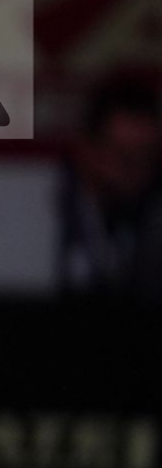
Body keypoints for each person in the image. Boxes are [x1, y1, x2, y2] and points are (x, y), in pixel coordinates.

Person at [59, 75, 162, 302]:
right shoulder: (43, 215)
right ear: (85, 149)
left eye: (149, 158)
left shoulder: (154, 213)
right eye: (125, 159)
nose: (138, 172)